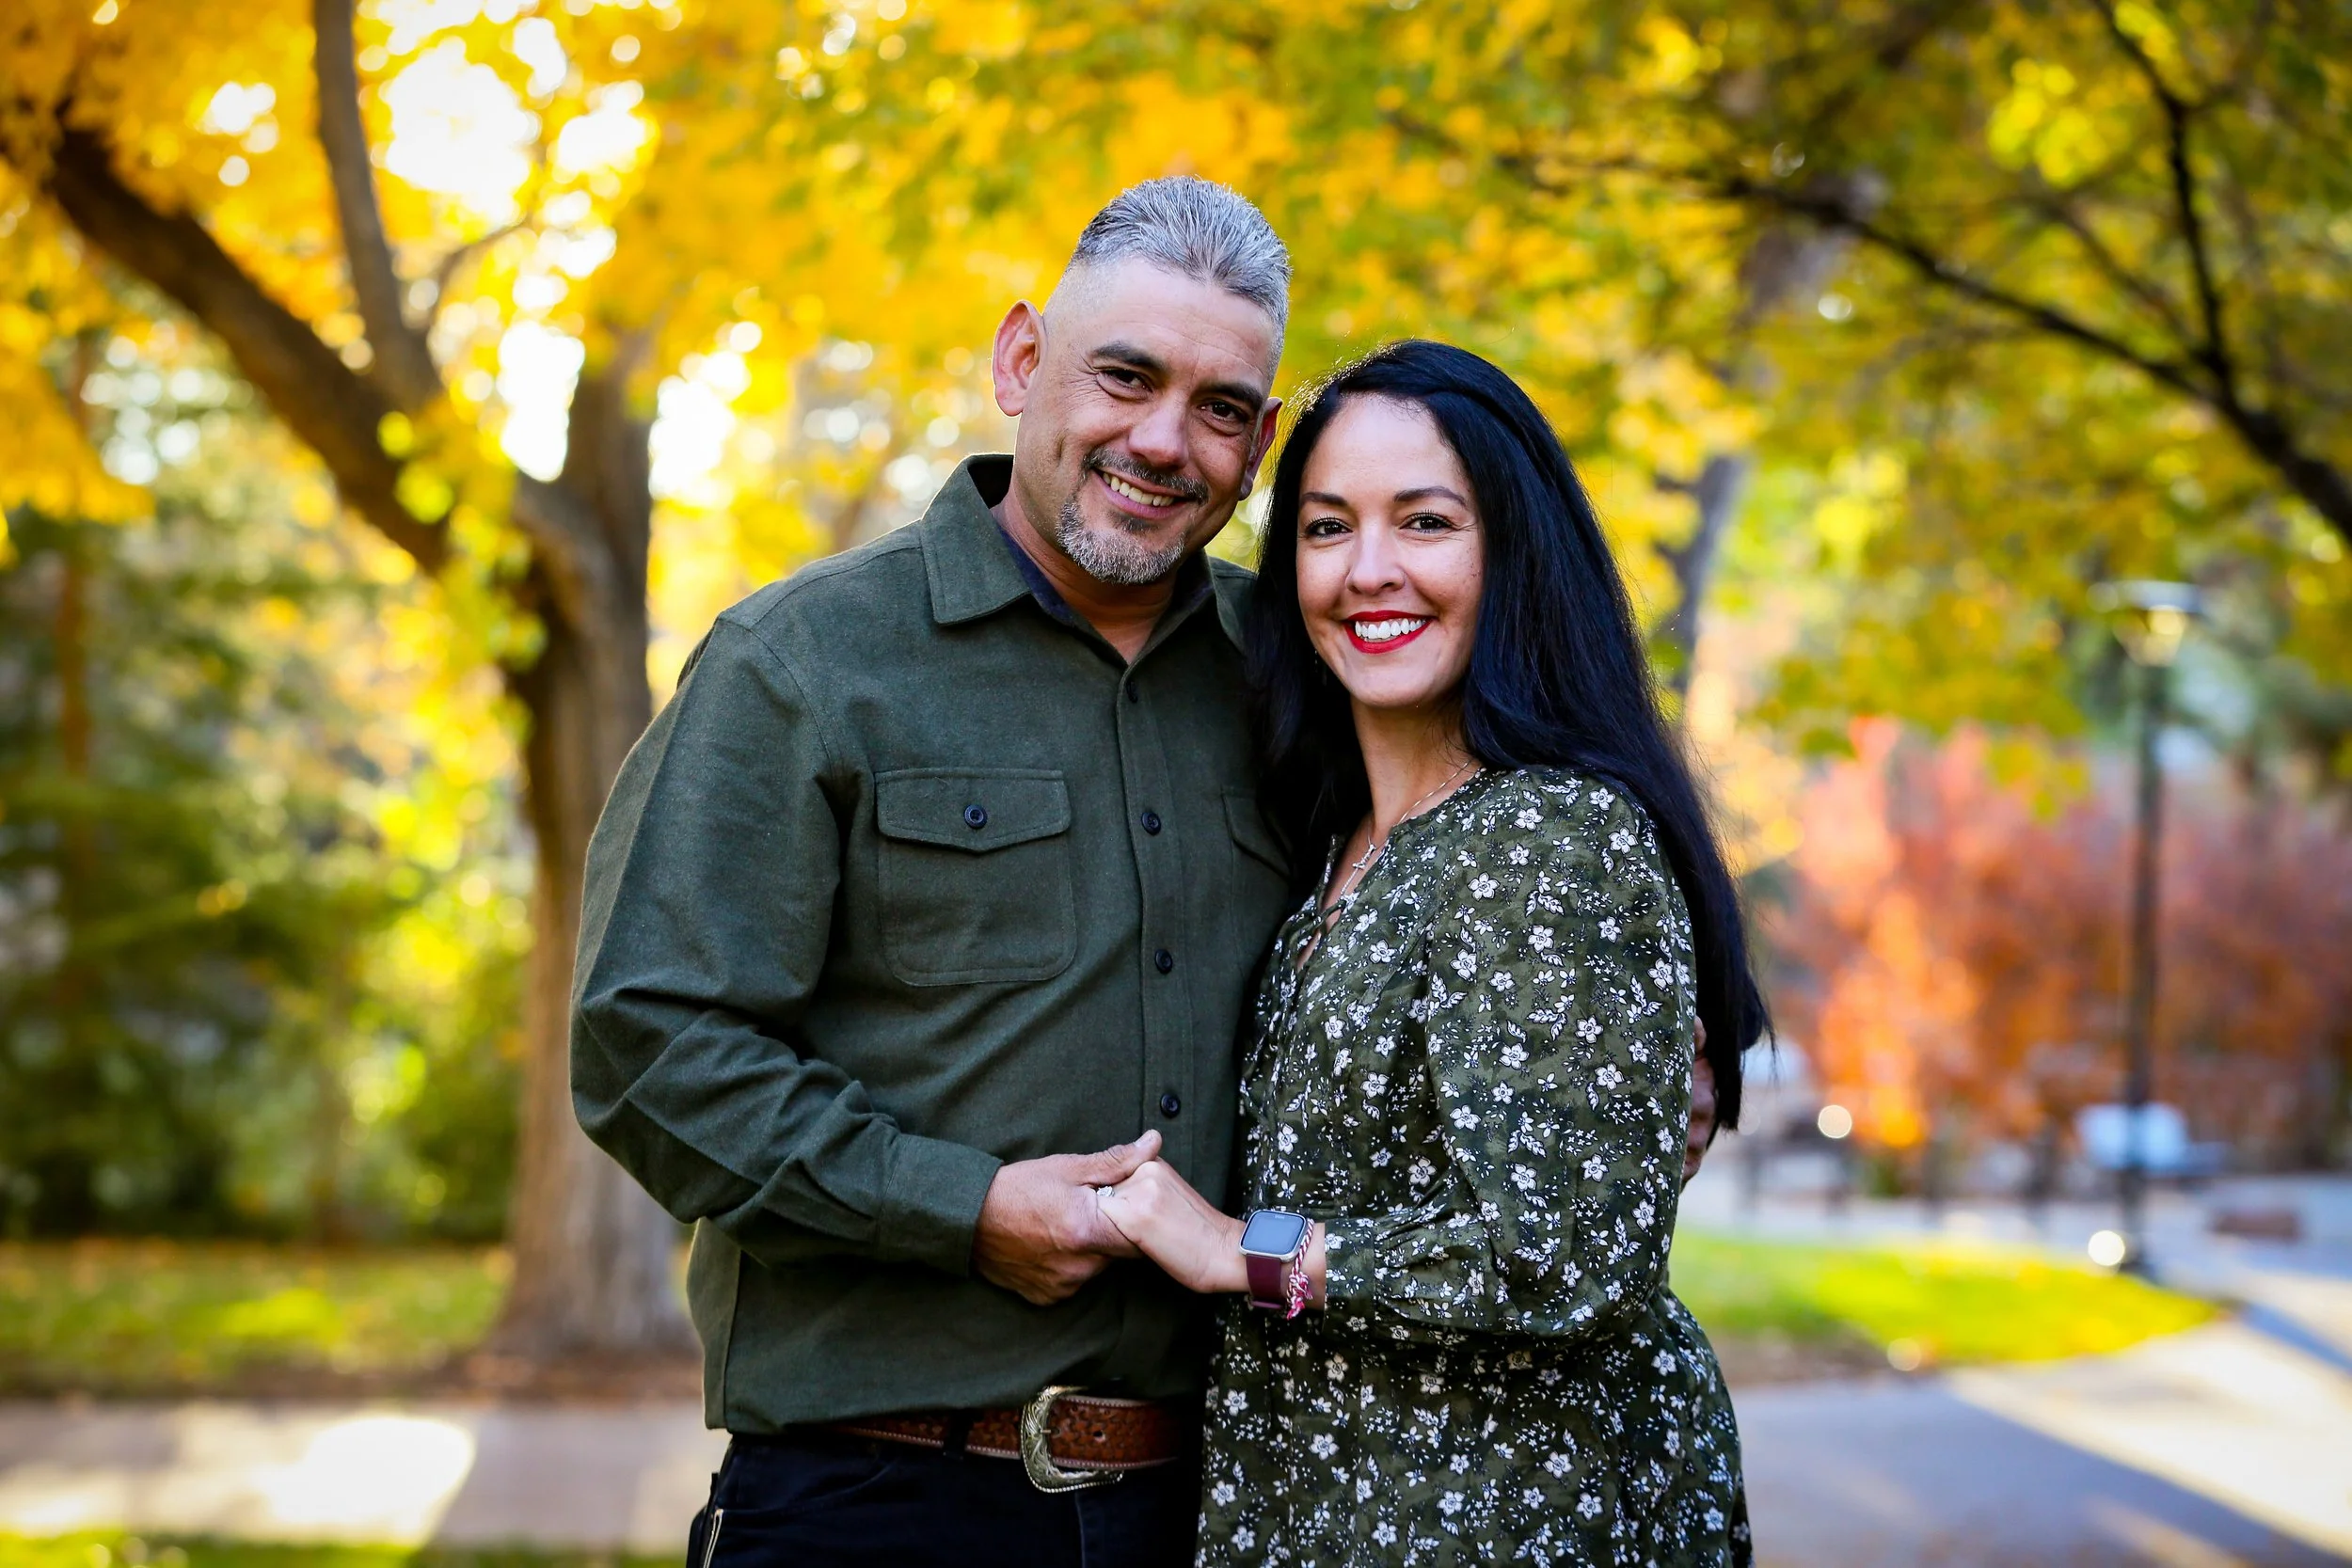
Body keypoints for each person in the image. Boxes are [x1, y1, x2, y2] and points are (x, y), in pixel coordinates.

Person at [569, 178, 1300, 1566]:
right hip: (880, 1505)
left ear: (1261, 442)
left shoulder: (1301, 675)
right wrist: (958, 1211)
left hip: (1219, 1510)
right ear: (1023, 361)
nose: (1163, 440)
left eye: (1219, 408)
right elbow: (647, 1049)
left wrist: (1689, 1008)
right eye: (1126, 375)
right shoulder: (801, 662)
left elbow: (1527, 776)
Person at [1096, 341, 1765, 1566]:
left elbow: (1562, 1258)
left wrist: (1237, 1248)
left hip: (1508, 1509)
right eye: (1326, 526)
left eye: (1427, 520)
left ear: (1513, 551)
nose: (1370, 570)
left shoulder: (1553, 835)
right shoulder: (1344, 846)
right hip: (1333, 1504)